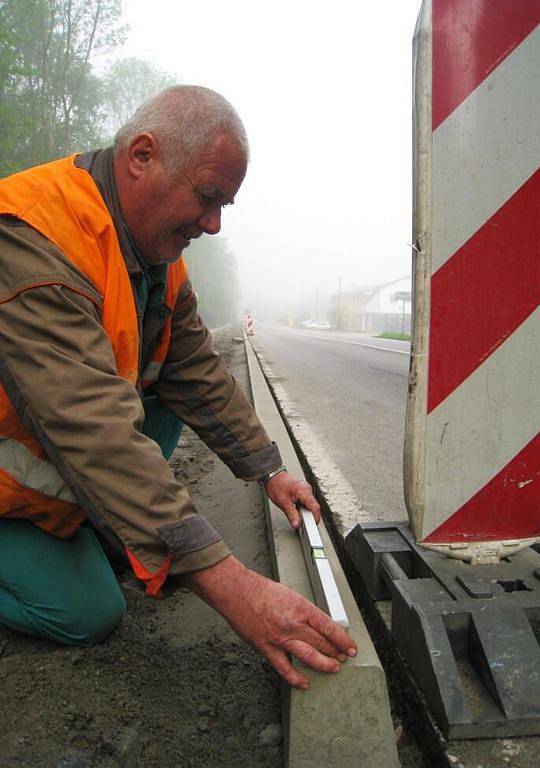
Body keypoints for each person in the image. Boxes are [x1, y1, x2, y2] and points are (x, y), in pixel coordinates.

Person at [0, 85, 356, 689]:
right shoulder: (37, 238)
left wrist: (269, 470)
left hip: (50, 464)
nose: (215, 225)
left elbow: (195, 369)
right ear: (142, 156)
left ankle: (107, 533)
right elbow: (97, 432)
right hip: (18, 486)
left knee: (164, 385)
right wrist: (232, 585)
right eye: (208, 197)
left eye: (226, 207)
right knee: (91, 613)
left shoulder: (154, 254)